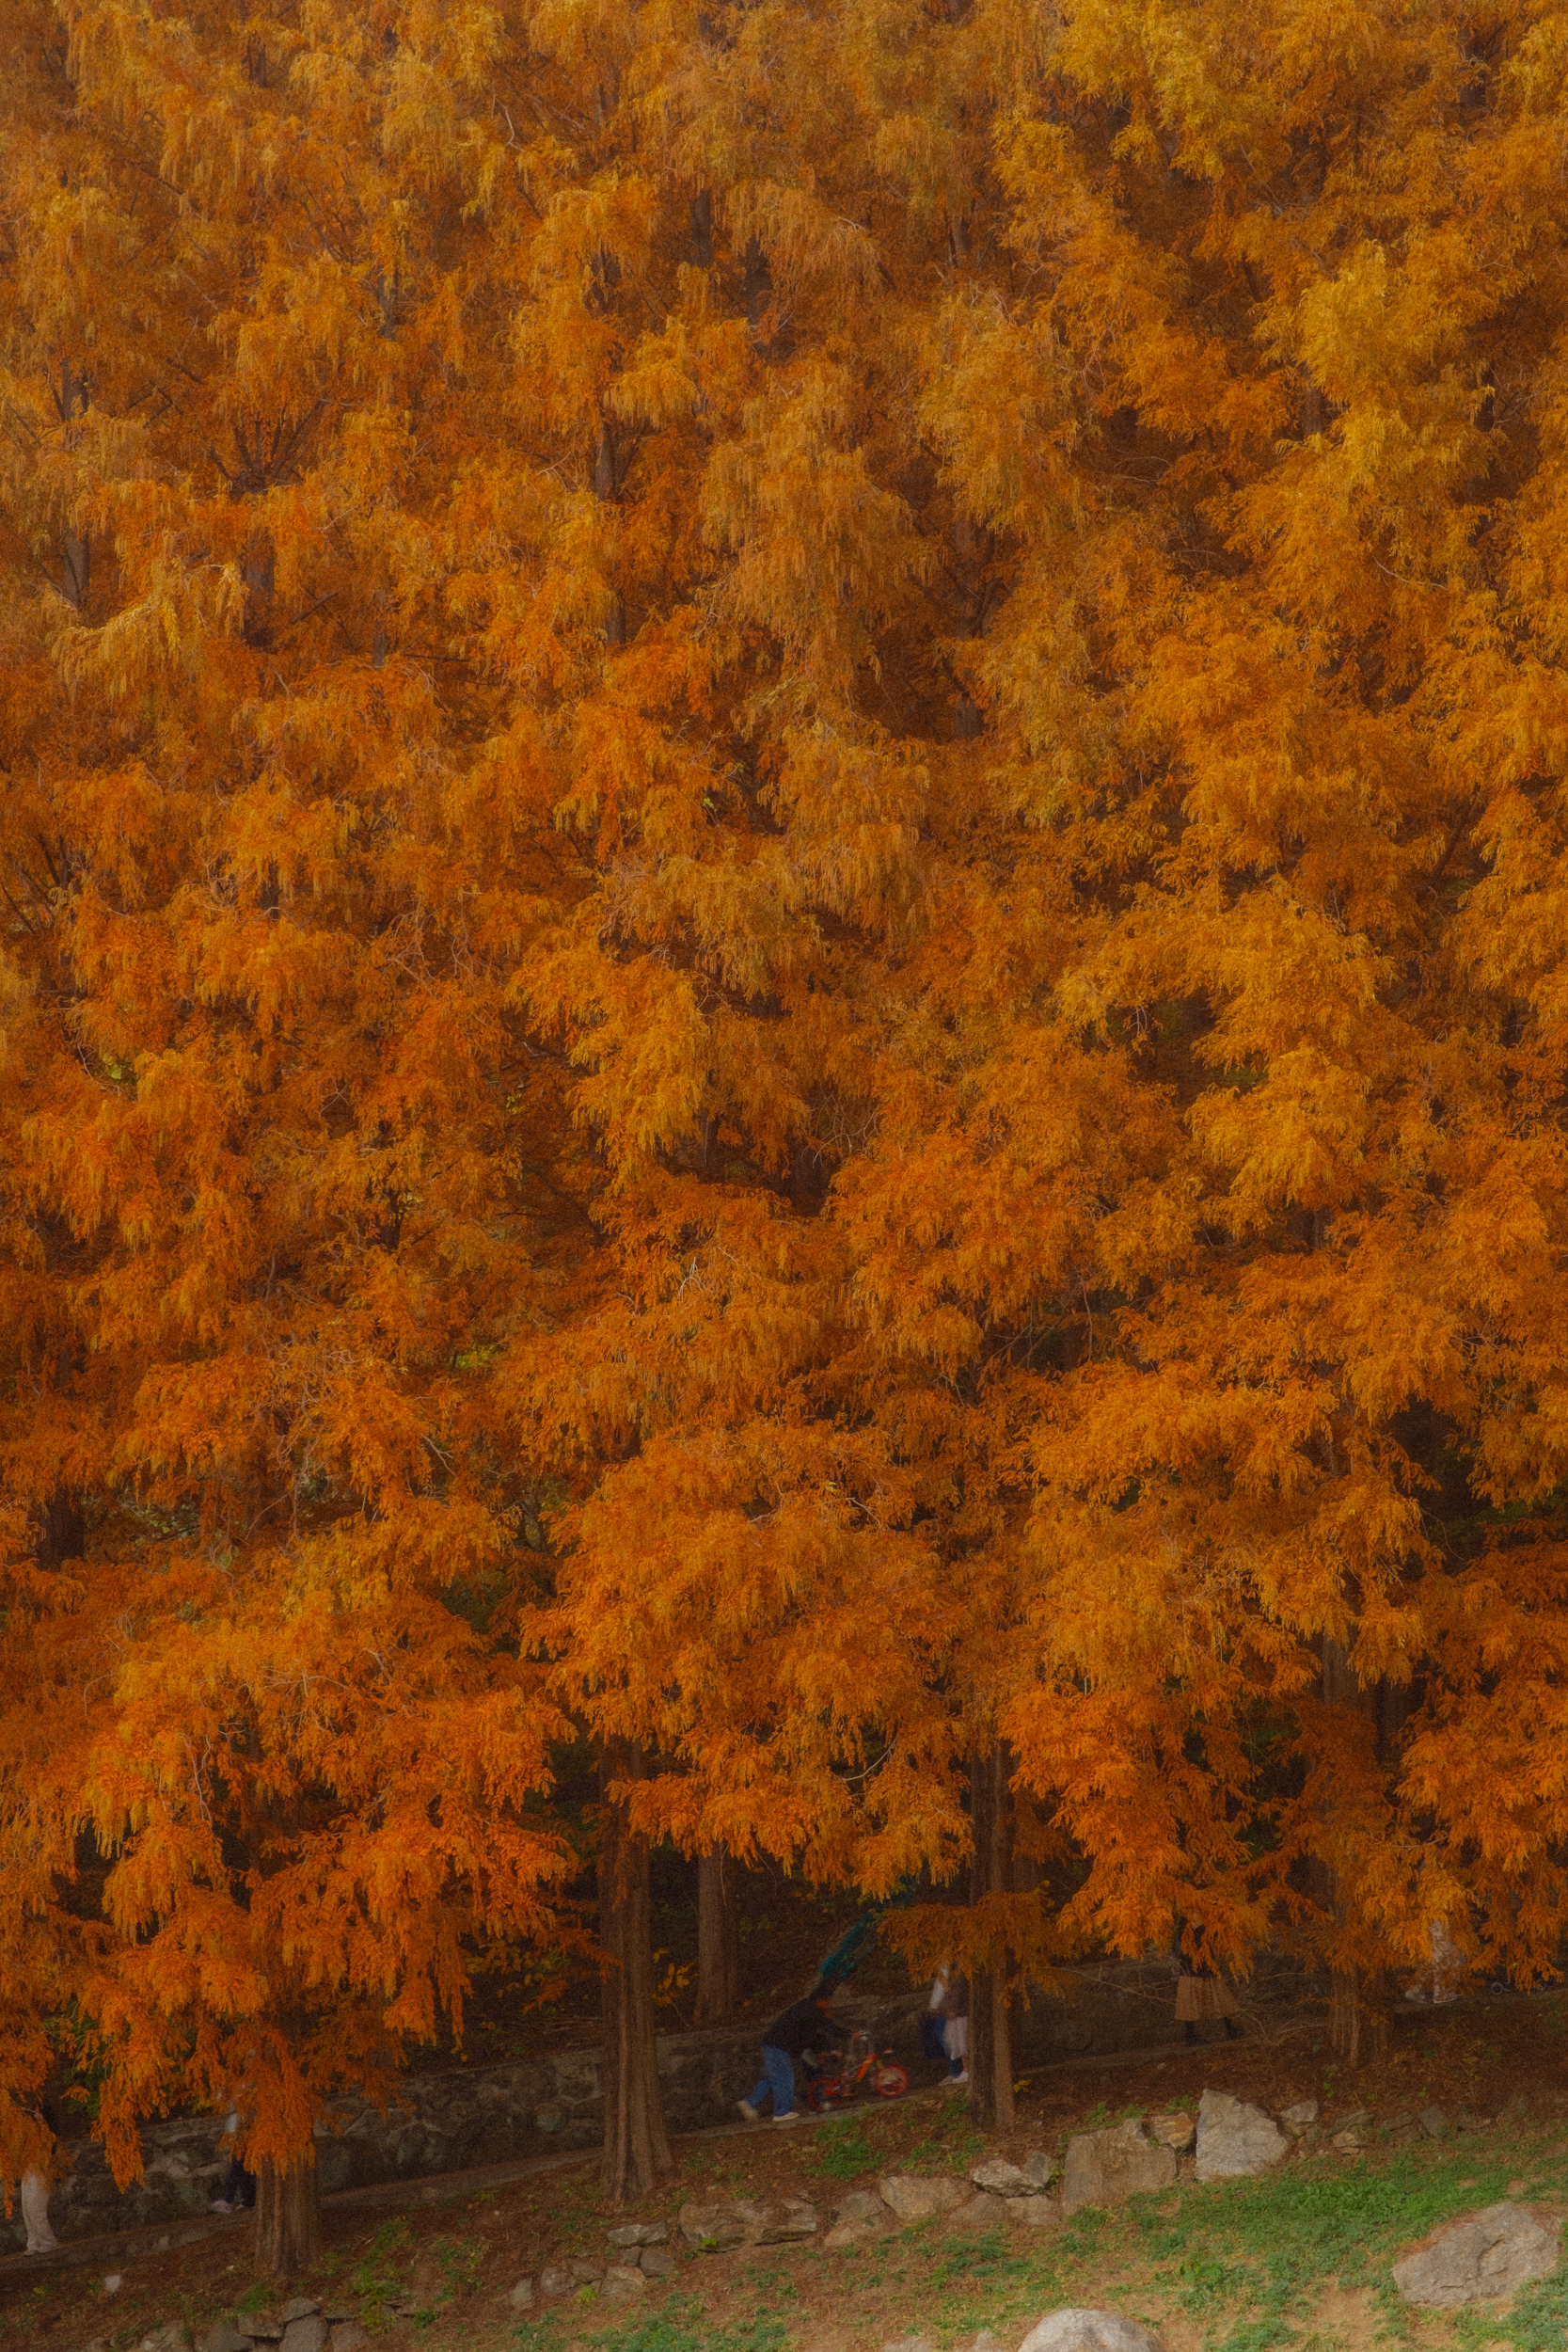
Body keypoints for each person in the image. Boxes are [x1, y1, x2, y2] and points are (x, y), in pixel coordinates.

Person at [737, 1988, 835, 2125]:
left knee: (773, 2077)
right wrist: (847, 2034)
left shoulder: (803, 2008)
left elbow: (811, 2037)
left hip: (772, 2044)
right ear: (821, 2001)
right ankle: (781, 2111)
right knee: (784, 2077)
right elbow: (822, 2031)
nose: (829, 2005)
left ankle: (750, 2102)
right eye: (828, 2002)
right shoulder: (812, 2012)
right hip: (779, 2046)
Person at [1174, 1921, 1242, 2045]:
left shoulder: (1200, 1917)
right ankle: (1190, 2036)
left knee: (1218, 1994)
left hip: (1205, 1963)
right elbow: (1182, 1947)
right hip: (1192, 1966)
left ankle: (1230, 2029)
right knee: (1191, 2000)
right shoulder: (1185, 1924)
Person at [940, 1967, 970, 2087]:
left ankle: (967, 2070)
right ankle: (965, 2069)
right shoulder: (953, 1970)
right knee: (957, 2042)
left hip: (960, 2013)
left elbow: (956, 1991)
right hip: (957, 2012)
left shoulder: (959, 1970)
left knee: (963, 2042)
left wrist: (952, 2008)